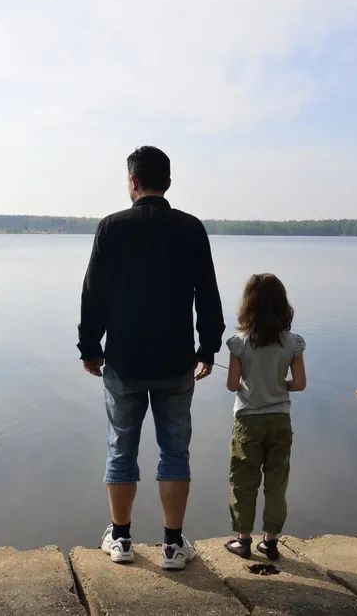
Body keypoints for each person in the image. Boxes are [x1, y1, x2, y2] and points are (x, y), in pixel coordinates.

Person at [78, 146, 224, 570]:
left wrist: (90, 347)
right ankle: (173, 546)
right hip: (176, 361)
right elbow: (207, 293)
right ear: (168, 183)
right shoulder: (191, 229)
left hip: (123, 361)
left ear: (132, 182)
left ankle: (121, 540)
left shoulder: (111, 228)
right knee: (175, 451)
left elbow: (93, 294)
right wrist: (208, 347)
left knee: (120, 449)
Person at [222, 273, 306, 561]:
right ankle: (270, 543)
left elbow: (233, 386)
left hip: (248, 422)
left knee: (243, 481)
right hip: (280, 421)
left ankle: (243, 540)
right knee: (276, 482)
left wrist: (249, 382)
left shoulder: (238, 343)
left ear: (248, 306)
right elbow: (300, 384)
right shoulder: (293, 343)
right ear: (283, 305)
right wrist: (279, 385)